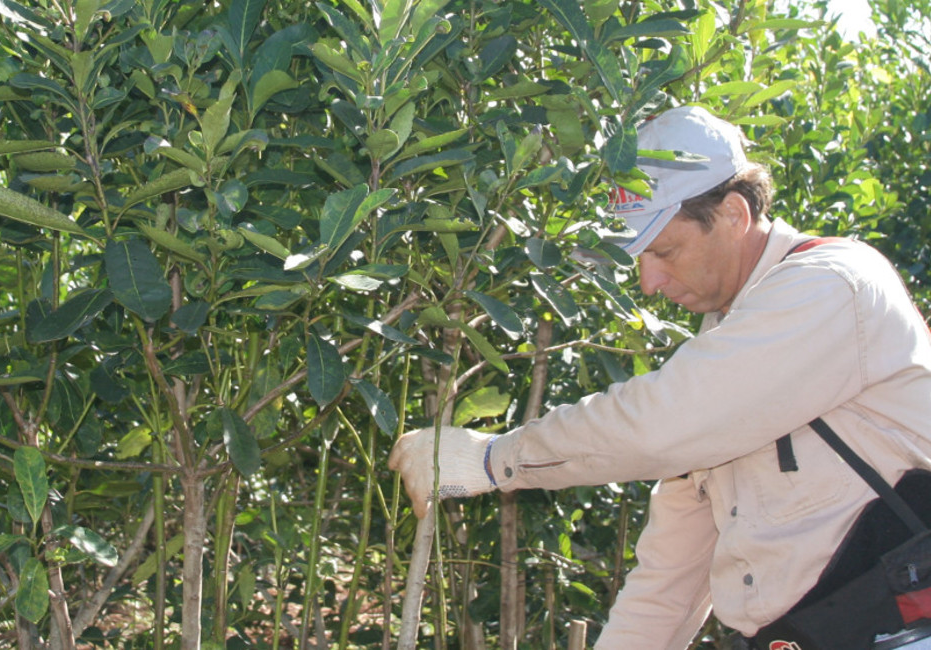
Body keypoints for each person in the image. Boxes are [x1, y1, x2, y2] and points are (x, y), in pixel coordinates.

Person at [388, 105, 931, 649]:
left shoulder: (832, 286)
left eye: (664, 251)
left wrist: (494, 459)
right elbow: (670, 580)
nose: (649, 282)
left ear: (735, 215)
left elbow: (663, 424)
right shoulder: (723, 351)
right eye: (639, 258)